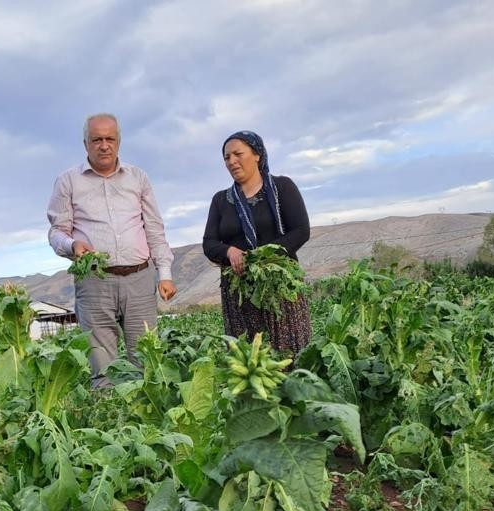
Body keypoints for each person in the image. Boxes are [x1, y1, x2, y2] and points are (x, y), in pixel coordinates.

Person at [47, 113, 177, 386]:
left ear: (119, 142)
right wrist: (72, 245)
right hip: (94, 280)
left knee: (146, 362)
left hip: (139, 279)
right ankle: (108, 411)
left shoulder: (137, 178)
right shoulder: (68, 181)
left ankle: (144, 412)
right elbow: (57, 231)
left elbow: (154, 229)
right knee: (103, 368)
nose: (104, 146)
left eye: (110, 139)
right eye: (97, 140)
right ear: (86, 143)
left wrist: (164, 274)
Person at [202, 130, 312, 355]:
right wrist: (229, 251)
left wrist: (262, 258)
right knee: (247, 359)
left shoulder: (282, 188)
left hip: (280, 288)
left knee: (288, 353)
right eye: (226, 157)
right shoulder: (221, 200)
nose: (231, 161)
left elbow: (301, 231)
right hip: (240, 294)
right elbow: (209, 243)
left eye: (238, 154)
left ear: (257, 155)